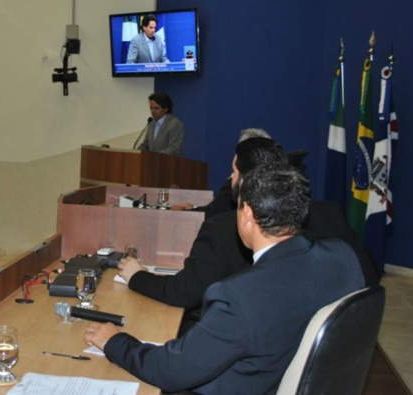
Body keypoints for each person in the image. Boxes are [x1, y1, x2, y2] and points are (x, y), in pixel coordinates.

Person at [85, 163, 365, 395]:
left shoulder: (239, 297)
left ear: (247, 216)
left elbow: (171, 370)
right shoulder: (344, 257)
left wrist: (115, 342)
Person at [119, 137, 380, 322]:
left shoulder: (222, 229)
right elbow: (369, 278)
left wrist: (136, 275)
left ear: (247, 179)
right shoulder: (331, 213)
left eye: (234, 171)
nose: (231, 178)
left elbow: (182, 293)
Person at [172, 128, 271, 216]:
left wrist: (186, 212)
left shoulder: (236, 183)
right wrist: (194, 208)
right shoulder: (274, 181)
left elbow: (212, 214)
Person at [137, 92, 184, 156]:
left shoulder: (175, 124)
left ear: (166, 109)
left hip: (169, 163)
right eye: (151, 108)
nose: (152, 111)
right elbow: (146, 146)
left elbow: (174, 149)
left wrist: (154, 155)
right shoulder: (151, 123)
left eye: (156, 108)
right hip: (153, 163)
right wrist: (135, 153)